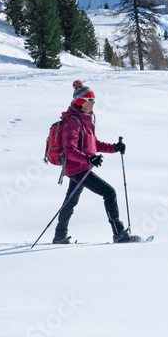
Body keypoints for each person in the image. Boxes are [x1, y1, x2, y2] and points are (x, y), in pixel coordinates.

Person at [52, 80, 138, 244]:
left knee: (70, 201)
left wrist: (115, 147)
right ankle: (119, 234)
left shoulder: (86, 119)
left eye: (93, 99)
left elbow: (94, 144)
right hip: (77, 168)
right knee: (109, 192)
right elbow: (69, 150)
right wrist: (88, 158)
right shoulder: (72, 122)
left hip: (81, 167)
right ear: (80, 101)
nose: (93, 103)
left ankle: (59, 236)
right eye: (90, 100)